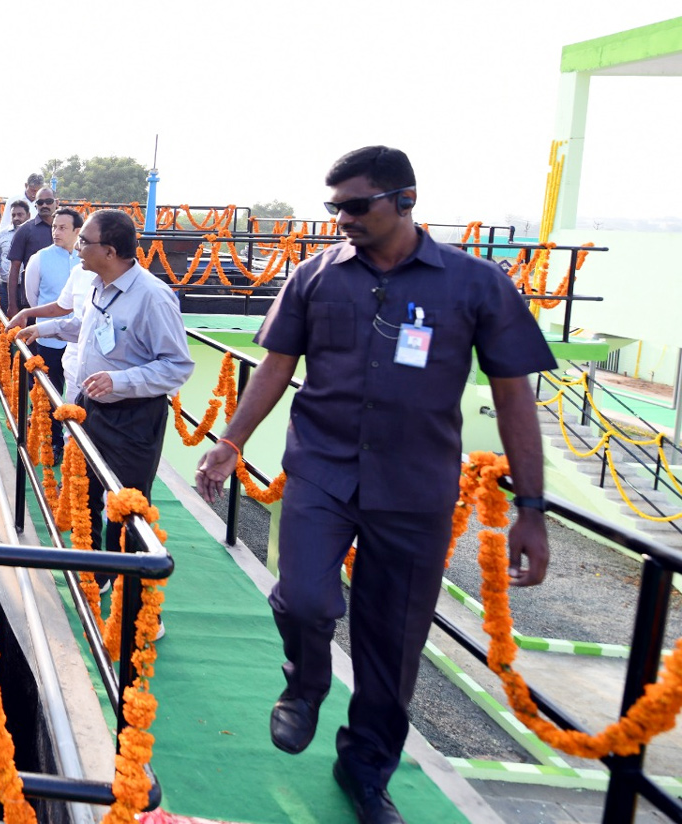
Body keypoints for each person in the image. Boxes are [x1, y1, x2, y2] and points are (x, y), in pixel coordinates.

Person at [194, 146, 555, 824]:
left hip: (414, 488)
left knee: (391, 651)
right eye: (333, 207)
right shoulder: (315, 276)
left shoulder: (475, 285)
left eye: (356, 206)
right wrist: (230, 440)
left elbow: (514, 397)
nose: (341, 220)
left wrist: (530, 510)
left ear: (406, 201)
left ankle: (365, 769)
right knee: (303, 598)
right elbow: (274, 367)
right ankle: (305, 683)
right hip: (322, 470)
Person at [17, 209, 193, 600]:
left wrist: (120, 380)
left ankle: (133, 604)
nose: (78, 247)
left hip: (132, 417)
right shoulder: (97, 283)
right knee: (87, 491)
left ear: (110, 251)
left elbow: (177, 365)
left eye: (85, 242)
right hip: (92, 405)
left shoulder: (152, 297)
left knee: (125, 507)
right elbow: (88, 327)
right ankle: (93, 576)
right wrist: (40, 326)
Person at [19, 207, 82, 460]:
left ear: (78, 231)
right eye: (54, 227)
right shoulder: (40, 258)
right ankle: (55, 442)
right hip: (49, 338)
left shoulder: (88, 261)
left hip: (81, 343)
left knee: (78, 395)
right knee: (50, 391)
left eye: (63, 227)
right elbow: (32, 296)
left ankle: (78, 448)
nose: (56, 232)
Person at [6, 187, 57, 316]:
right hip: (33, 301)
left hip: (63, 299)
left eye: (49, 201)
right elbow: (14, 269)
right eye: (40, 202)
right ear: (35, 205)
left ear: (57, 202)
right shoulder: (25, 230)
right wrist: (12, 305)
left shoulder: (68, 229)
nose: (44, 205)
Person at [0, 199, 29, 307]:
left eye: (20, 214)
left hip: (28, 288)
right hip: (5, 286)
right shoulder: (4, 234)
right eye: (13, 215)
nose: (16, 218)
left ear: (28, 215)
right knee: (5, 320)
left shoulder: (34, 234)